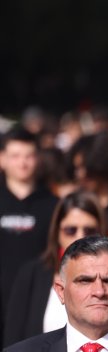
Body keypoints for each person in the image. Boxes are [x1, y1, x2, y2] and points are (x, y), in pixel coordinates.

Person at [3, 191, 108, 347]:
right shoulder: (32, 275)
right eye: (71, 230)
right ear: (57, 232)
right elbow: (13, 342)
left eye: (89, 230)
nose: (80, 236)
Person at [0, 128, 59, 307]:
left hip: (38, 299)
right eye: (15, 156)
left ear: (38, 158)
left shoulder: (54, 204)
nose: (22, 163)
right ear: (2, 159)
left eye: (29, 156)